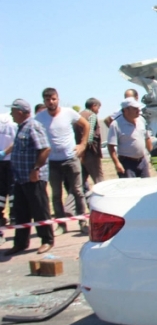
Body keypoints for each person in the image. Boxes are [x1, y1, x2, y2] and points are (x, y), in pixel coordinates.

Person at [35, 88, 89, 235]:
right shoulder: (40, 117)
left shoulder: (68, 112)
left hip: (71, 158)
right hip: (52, 162)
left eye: (53, 99)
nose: (51, 102)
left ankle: (83, 221)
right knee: (56, 194)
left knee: (78, 191)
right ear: (44, 101)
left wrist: (83, 144)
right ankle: (61, 224)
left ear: (58, 99)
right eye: (47, 99)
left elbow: (85, 125)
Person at [3, 99, 53, 256]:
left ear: (19, 111)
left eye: (12, 110)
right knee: (21, 212)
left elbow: (45, 149)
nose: (11, 114)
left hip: (33, 178)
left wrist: (35, 169)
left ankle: (47, 240)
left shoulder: (33, 126)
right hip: (20, 178)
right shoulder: (21, 128)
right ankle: (21, 242)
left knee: (40, 210)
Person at [107, 98, 152, 178]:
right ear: (126, 110)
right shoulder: (116, 124)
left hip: (142, 161)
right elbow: (111, 146)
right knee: (130, 188)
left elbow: (147, 138)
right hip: (127, 163)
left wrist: (152, 155)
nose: (138, 110)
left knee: (146, 186)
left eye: (138, 108)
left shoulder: (141, 120)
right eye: (135, 109)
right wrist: (117, 163)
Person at [79, 97, 104, 190]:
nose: (98, 111)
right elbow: (89, 136)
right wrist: (85, 148)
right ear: (94, 106)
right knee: (99, 181)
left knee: (79, 183)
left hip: (79, 153)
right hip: (90, 152)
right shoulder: (92, 115)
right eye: (98, 108)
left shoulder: (78, 115)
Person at [0, 113, 16, 232]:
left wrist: (4, 152)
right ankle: (12, 217)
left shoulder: (10, 122)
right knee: (10, 191)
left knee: (9, 190)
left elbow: (16, 142)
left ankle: (10, 216)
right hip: (9, 160)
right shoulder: (12, 122)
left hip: (9, 160)